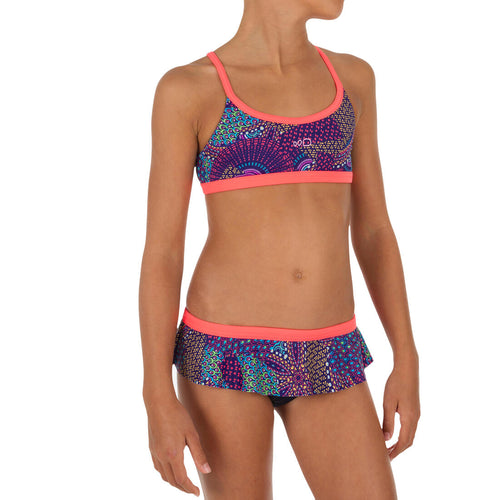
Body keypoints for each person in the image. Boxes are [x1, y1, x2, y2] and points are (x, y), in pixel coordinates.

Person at [138, 0, 420, 498]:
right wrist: (155, 393)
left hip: (329, 349)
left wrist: (407, 355)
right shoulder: (190, 89)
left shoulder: (352, 80)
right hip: (223, 353)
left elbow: (374, 229)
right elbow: (163, 254)